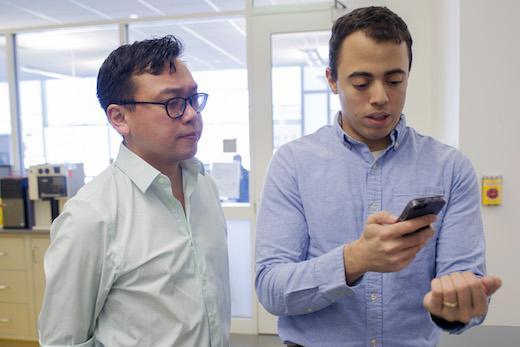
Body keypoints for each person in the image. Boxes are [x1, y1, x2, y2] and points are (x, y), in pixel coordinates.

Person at [255, 6, 502, 347]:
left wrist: (456, 304)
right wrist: (354, 260)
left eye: (394, 80)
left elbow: (465, 288)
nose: (380, 97)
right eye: (361, 82)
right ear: (331, 79)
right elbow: (271, 288)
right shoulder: (292, 164)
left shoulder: (450, 168)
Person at [38, 35, 230, 347]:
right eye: (172, 103)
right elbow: (63, 339)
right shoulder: (91, 216)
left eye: (193, 99)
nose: (192, 114)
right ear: (119, 118)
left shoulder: (204, 186)